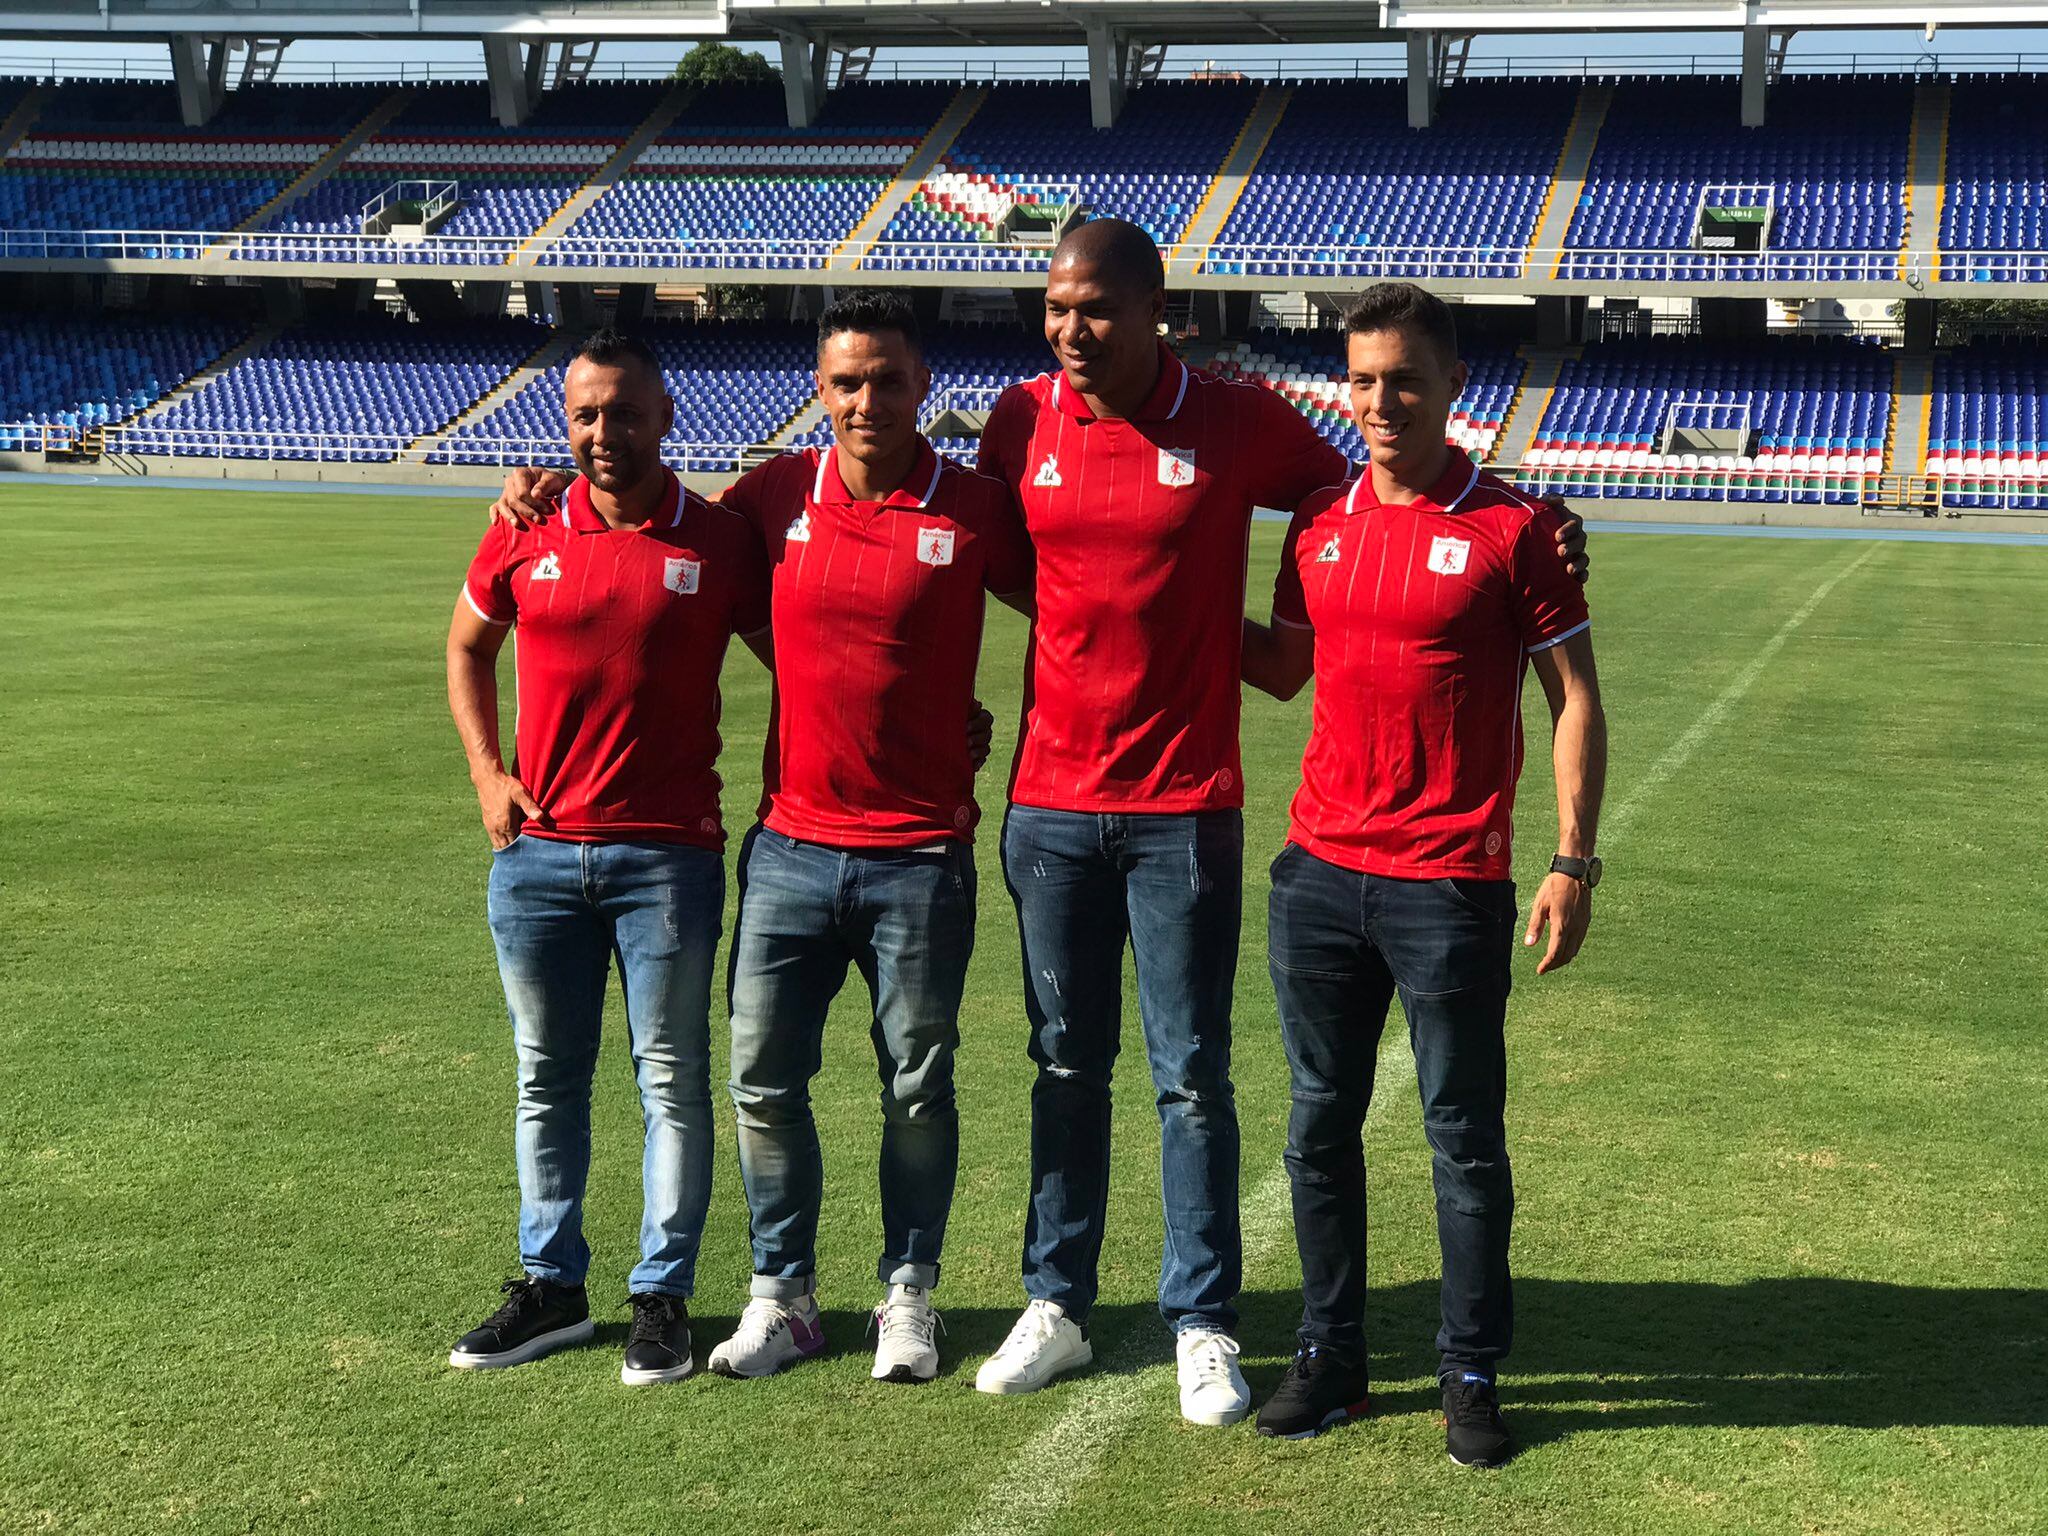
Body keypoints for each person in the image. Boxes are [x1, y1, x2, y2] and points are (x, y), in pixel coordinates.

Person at [486, 294, 1026, 1386]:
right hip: (788, 850)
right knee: (761, 1086)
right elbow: (654, 537)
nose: (866, 401)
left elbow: (1078, 619)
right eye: (845, 383)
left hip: (922, 852)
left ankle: (908, 1294)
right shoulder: (770, 500)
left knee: (916, 1086)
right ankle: (782, 1296)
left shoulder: (974, 508)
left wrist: (965, 720)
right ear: (819, 391)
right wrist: (526, 498)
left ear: (923, 386)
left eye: (886, 380)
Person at [1241, 282, 1607, 1465]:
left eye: (1403, 378)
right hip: (1315, 877)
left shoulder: (1513, 527)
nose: (1380, 400)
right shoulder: (1316, 521)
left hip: (1448, 885)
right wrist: (1147, 603)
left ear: (1452, 384)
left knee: (1461, 1140)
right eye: (1361, 380)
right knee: (1315, 1130)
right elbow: (1282, 668)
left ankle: (1468, 1370)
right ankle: (1330, 1358)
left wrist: (1570, 860)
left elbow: (1573, 699)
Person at [445, 328, 770, 1386]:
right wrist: (488, 775)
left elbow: (806, 657)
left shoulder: (718, 542)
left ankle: (661, 1298)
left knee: (669, 1081)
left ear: (665, 417)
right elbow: (465, 647)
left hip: (665, 862)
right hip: (537, 857)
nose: (603, 431)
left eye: (624, 411)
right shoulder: (525, 529)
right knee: (547, 1077)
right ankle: (551, 1290)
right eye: (585, 413)